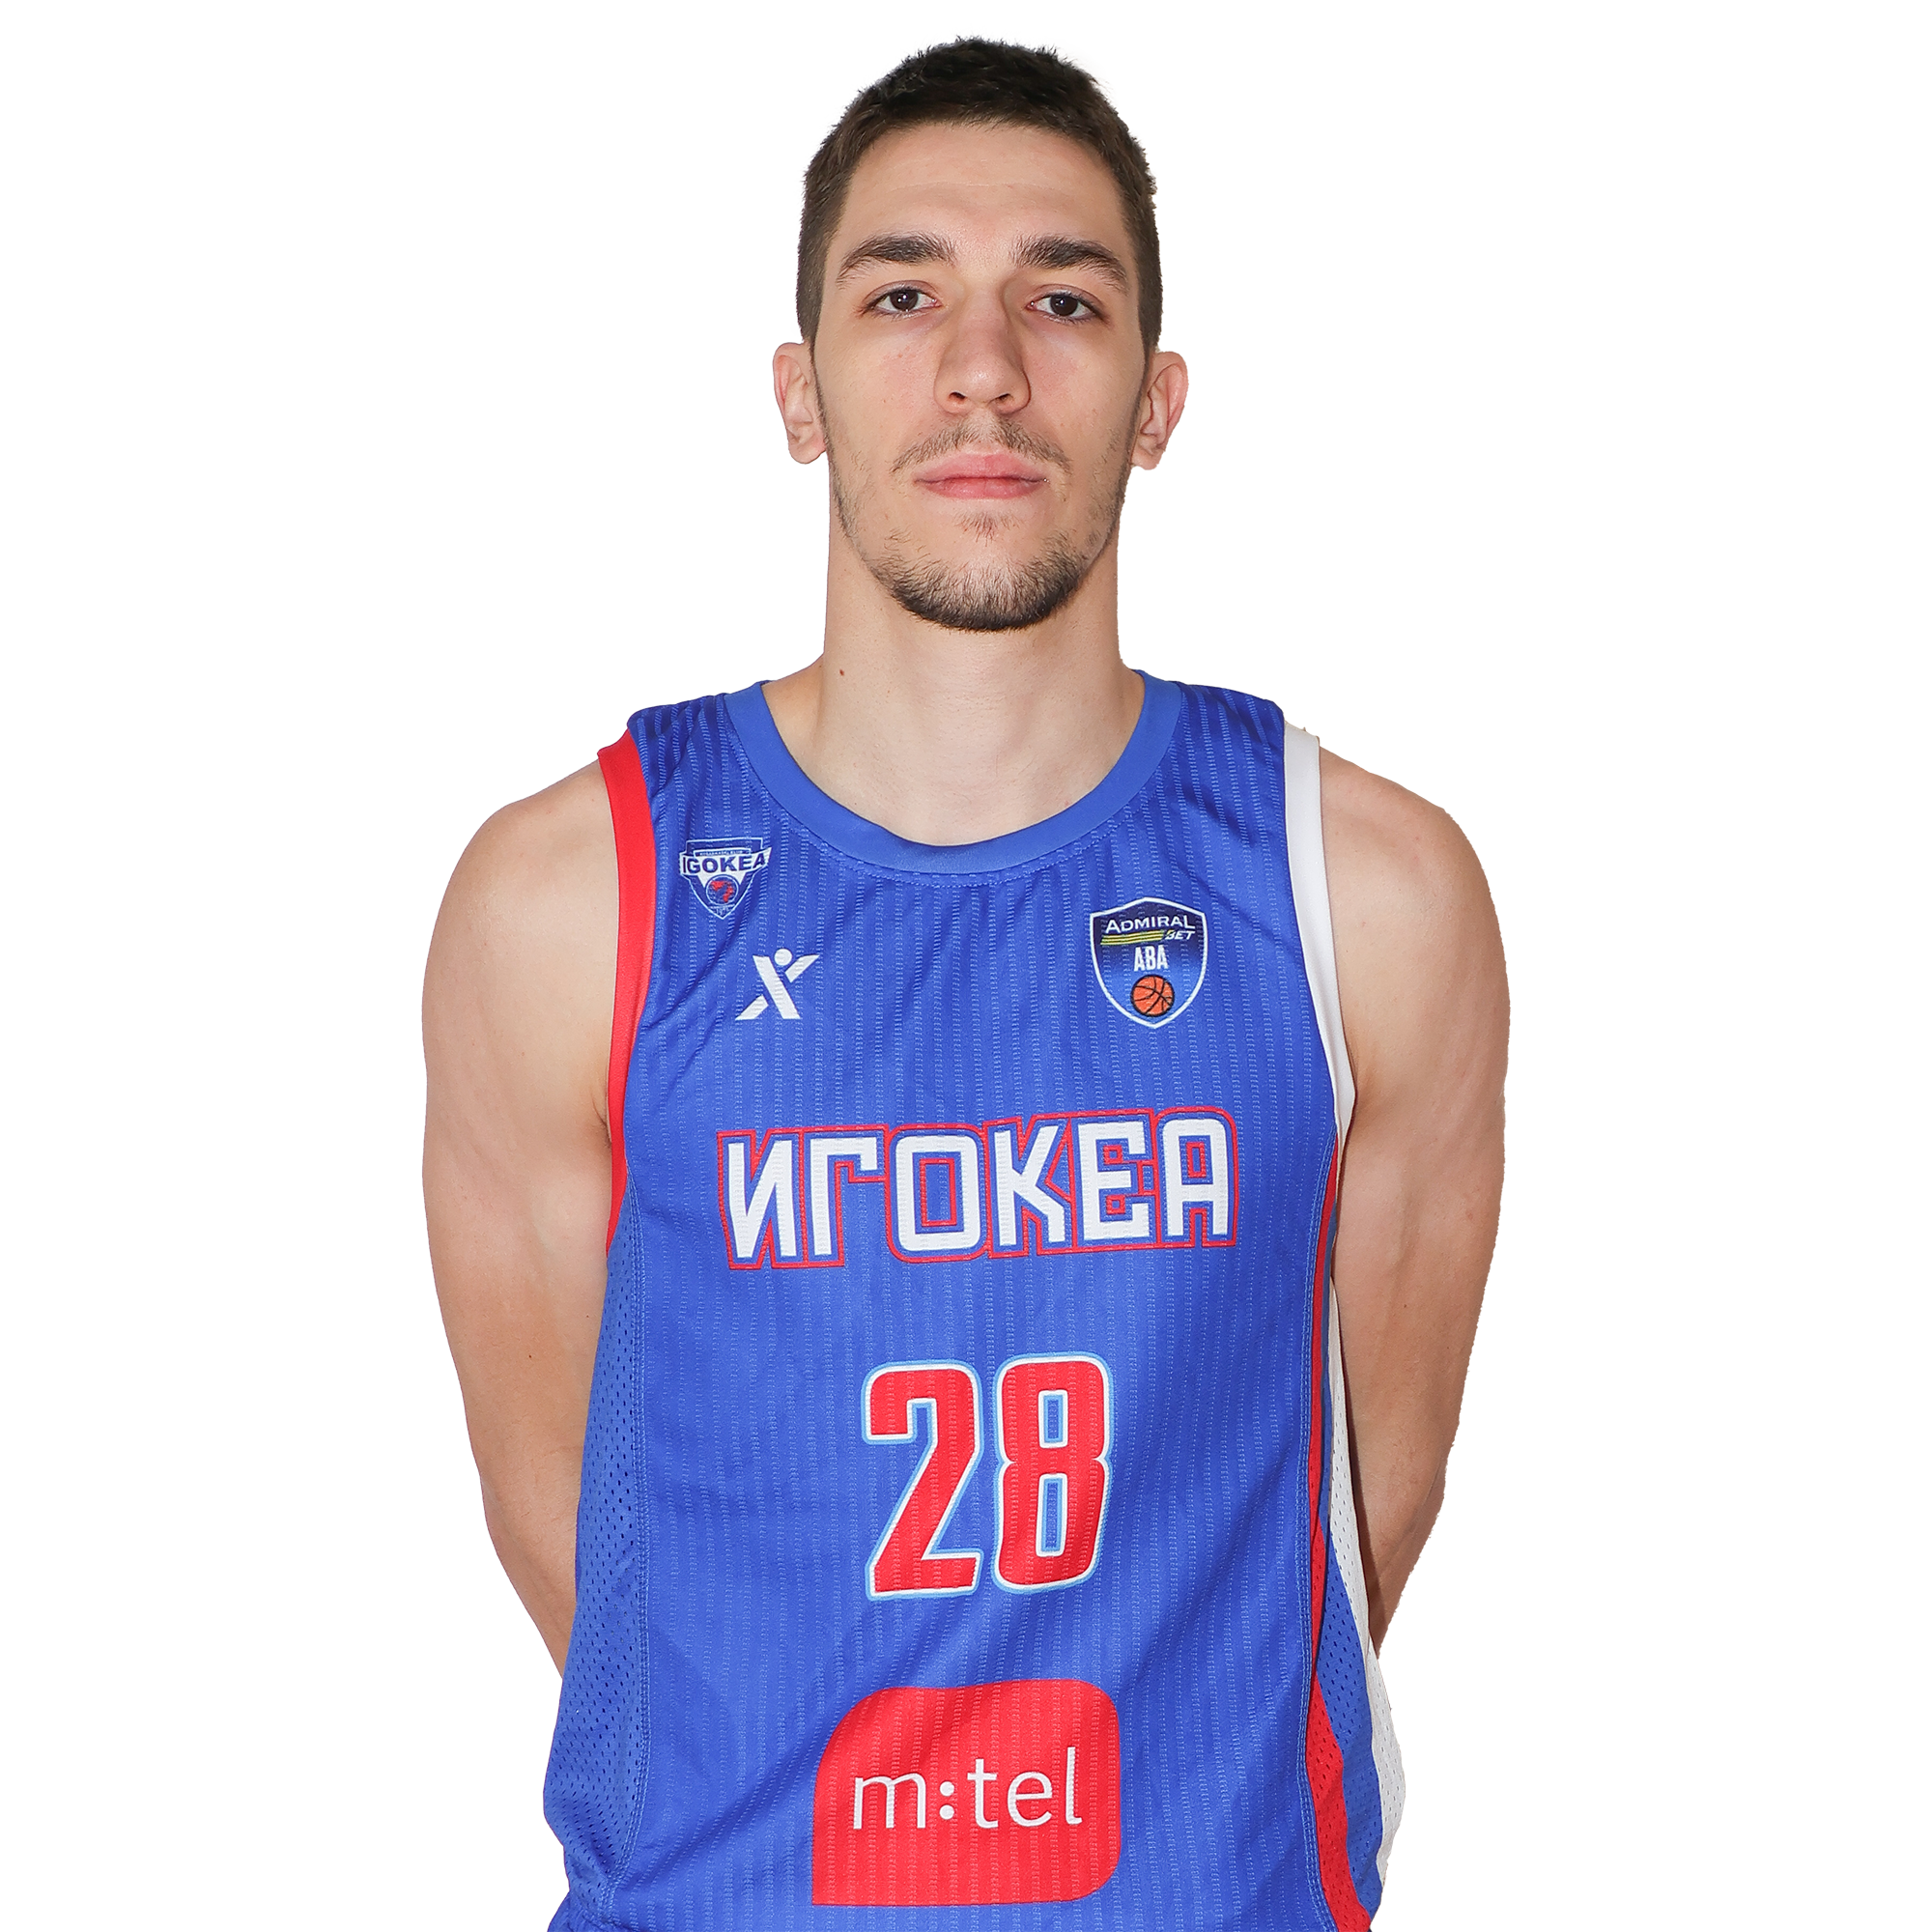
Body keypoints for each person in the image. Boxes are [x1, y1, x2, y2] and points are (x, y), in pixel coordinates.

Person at [423, 36, 1505, 1930]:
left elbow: (1359, 1516)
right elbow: (579, 1532)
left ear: (1158, 401)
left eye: (1061, 300)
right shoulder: (567, 900)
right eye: (903, 294)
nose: (984, 367)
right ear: (799, 391)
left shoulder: (1366, 892)